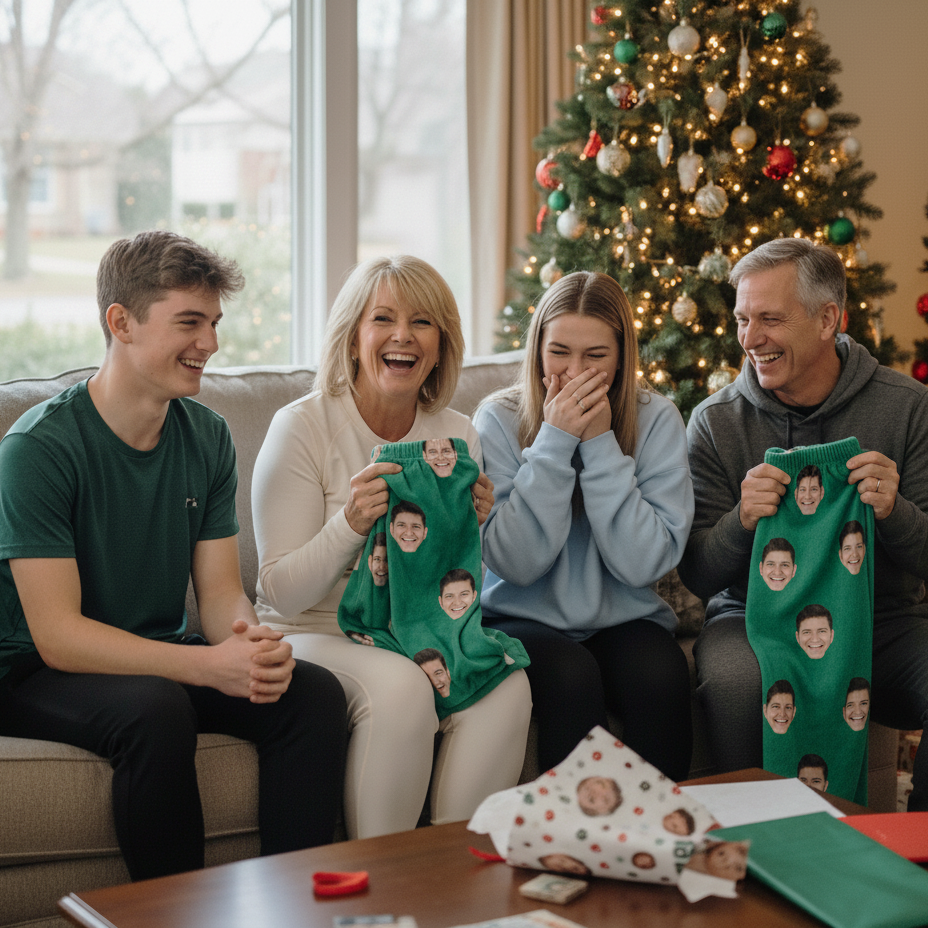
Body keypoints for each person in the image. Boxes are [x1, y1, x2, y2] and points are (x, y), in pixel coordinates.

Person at [0, 231, 348, 881]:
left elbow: (218, 595)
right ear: (120, 322)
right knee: (157, 708)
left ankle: (291, 907)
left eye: (214, 323)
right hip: (31, 671)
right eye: (190, 321)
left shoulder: (207, 436)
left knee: (311, 694)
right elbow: (58, 637)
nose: (210, 344)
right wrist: (206, 669)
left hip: (153, 652)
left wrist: (247, 646)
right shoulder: (38, 448)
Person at [251, 254, 532, 839]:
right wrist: (350, 523)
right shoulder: (301, 426)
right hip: (313, 629)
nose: (403, 335)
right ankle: (385, 880)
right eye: (383, 318)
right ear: (354, 338)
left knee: (506, 681)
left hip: (415, 628)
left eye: (423, 322)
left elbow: (446, 583)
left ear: (439, 346)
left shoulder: (456, 434)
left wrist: (469, 526)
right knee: (403, 687)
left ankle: (458, 880)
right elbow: (278, 589)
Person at [678, 236, 928, 812]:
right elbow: (696, 571)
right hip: (752, 618)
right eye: (742, 319)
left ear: (827, 320)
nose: (750, 339)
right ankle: (755, 852)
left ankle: (909, 855)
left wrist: (895, 513)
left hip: (880, 618)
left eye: (769, 318)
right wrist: (740, 522)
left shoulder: (908, 408)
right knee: (741, 686)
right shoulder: (715, 423)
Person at [475, 271, 694, 780]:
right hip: (518, 616)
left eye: (595, 356)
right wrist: (553, 443)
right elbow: (516, 564)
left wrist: (599, 447)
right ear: (537, 352)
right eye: (559, 353)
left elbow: (644, 563)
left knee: (661, 675)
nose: (575, 373)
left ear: (621, 358)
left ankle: (659, 840)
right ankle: (571, 846)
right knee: (571, 678)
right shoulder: (498, 419)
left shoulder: (657, 418)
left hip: (625, 615)